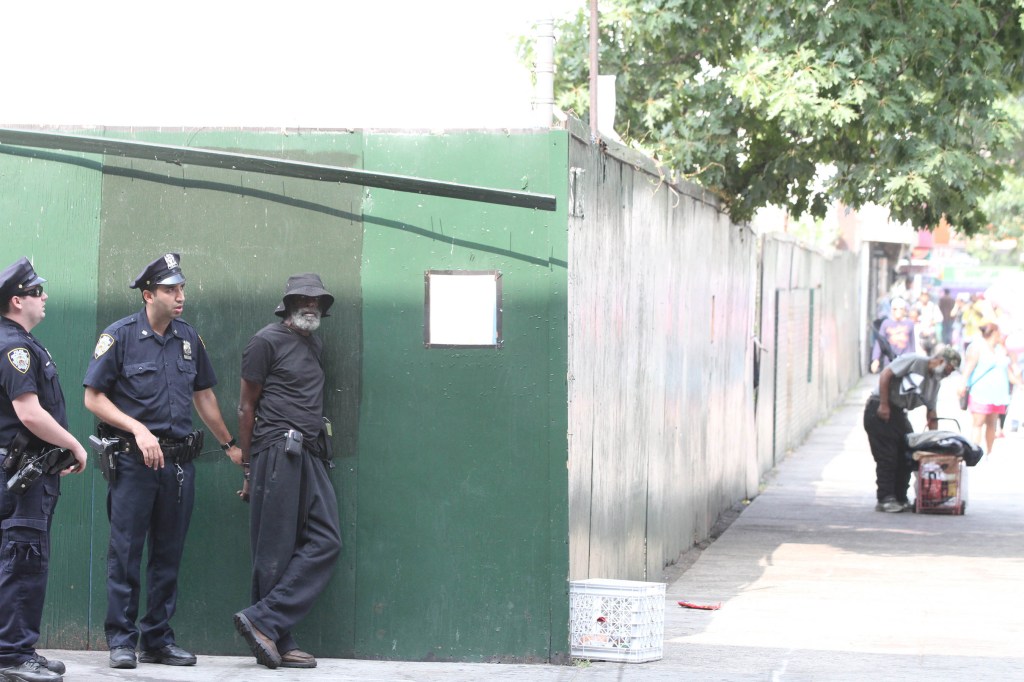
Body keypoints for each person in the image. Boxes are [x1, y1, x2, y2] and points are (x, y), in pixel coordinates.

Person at [82, 254, 242, 670]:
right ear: (148, 294)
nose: (180, 296)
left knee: (168, 555)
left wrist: (229, 445)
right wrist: (137, 428)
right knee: (126, 553)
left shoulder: (189, 338)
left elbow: (203, 395)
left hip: (178, 466)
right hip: (135, 463)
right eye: (171, 290)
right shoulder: (119, 336)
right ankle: (121, 639)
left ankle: (157, 639)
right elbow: (93, 398)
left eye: (182, 288)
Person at [233, 274, 342, 670]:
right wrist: (248, 465)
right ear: (288, 304)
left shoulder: (314, 344)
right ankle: (276, 635)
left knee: (326, 539)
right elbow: (246, 407)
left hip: (311, 452)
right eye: (302, 299)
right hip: (277, 449)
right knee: (274, 548)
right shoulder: (265, 341)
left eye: (318, 300)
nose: (311, 305)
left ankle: (266, 620)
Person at [0, 258, 88, 682]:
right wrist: (71, 443)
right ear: (17, 300)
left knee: (20, 558)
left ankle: (19, 647)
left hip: (26, 471)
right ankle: (13, 656)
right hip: (21, 474)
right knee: (23, 558)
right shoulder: (14, 347)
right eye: (37, 292)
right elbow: (29, 413)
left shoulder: (21, 342)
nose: (44, 296)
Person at [863, 346, 961, 513]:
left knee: (907, 453)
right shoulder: (915, 361)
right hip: (880, 408)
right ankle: (885, 498)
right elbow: (886, 374)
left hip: (899, 413)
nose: (948, 373)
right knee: (888, 457)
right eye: (949, 369)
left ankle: (900, 497)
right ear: (940, 361)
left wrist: (933, 440)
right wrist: (884, 405)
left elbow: (931, 411)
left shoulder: (934, 383)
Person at [958, 322, 1018, 454]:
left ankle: (988, 454)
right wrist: (962, 383)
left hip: (997, 393)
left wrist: (1019, 381)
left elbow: (1007, 371)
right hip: (980, 392)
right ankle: (974, 452)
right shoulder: (977, 348)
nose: (1001, 336)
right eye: (1000, 333)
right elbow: (968, 368)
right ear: (994, 333)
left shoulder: (1000, 350)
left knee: (992, 424)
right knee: (978, 423)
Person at [870, 298, 915, 373]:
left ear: (904, 310)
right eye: (895, 309)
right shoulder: (886, 324)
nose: (898, 311)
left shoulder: (909, 324)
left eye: (901, 309)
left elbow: (912, 343)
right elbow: (880, 343)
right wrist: (875, 359)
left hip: (906, 361)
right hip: (890, 361)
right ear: (891, 310)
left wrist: (914, 360)